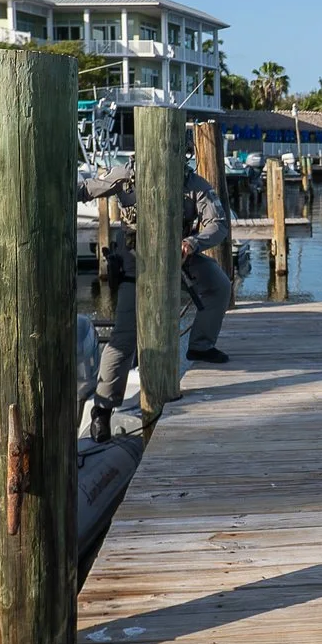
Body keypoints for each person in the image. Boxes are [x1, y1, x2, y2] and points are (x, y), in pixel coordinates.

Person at [85, 159, 235, 440]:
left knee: (219, 286)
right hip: (136, 266)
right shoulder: (125, 176)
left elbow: (218, 223)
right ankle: (102, 409)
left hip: (180, 260)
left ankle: (201, 345)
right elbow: (86, 190)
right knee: (124, 338)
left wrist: (193, 243)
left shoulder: (194, 184)